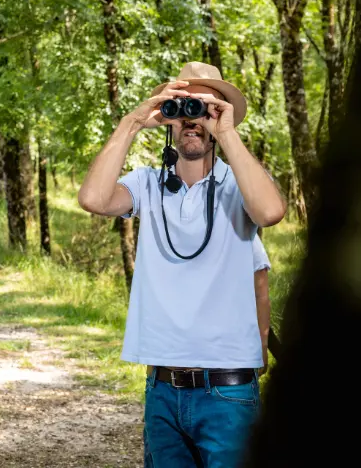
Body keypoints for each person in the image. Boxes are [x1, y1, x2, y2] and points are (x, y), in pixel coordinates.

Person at [77, 62, 286, 467]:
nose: (193, 120)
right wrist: (133, 122)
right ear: (169, 119)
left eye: (204, 108)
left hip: (228, 391)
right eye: (183, 107)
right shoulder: (147, 183)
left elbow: (270, 211)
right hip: (162, 387)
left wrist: (224, 131)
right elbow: (94, 200)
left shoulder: (238, 185)